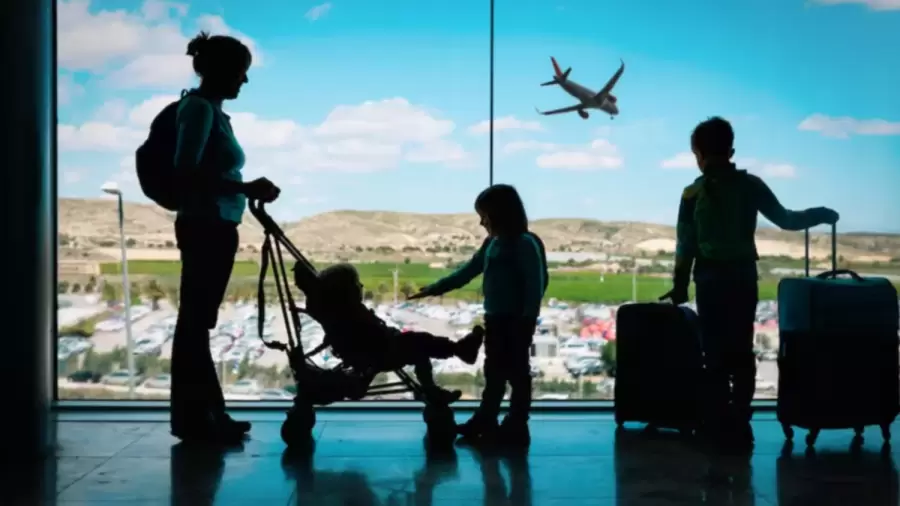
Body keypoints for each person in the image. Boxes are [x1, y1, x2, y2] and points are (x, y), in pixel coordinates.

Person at [660, 116, 839, 451]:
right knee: (741, 350)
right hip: (742, 276)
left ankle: (714, 423)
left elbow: (685, 245)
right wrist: (820, 213)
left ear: (697, 153)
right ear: (731, 149)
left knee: (712, 352)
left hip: (709, 278)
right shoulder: (750, 185)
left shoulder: (691, 193)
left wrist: (680, 285)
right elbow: (786, 219)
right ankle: (741, 420)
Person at [170, 31, 282, 443]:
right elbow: (186, 170)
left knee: (197, 324)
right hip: (207, 226)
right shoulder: (199, 110)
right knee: (195, 324)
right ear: (220, 71)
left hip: (214, 224)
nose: (245, 81)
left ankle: (206, 416)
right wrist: (245, 187)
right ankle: (199, 419)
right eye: (241, 72)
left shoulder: (210, 111)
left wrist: (242, 190)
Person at [409, 184, 548, 446]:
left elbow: (534, 288)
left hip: (516, 322)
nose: (481, 221)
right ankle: (488, 420)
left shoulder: (525, 244)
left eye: (484, 215)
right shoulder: (492, 243)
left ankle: (515, 425)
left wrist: (526, 323)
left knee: (517, 374)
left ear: (500, 214)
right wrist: (434, 289)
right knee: (495, 373)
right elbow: (467, 271)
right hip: (495, 320)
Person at [312, 263, 484, 404]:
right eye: (357, 284)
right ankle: (458, 352)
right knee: (420, 343)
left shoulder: (343, 314)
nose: (362, 286)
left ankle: (435, 384)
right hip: (379, 354)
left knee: (419, 347)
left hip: (376, 352)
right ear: (347, 291)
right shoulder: (351, 315)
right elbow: (373, 337)